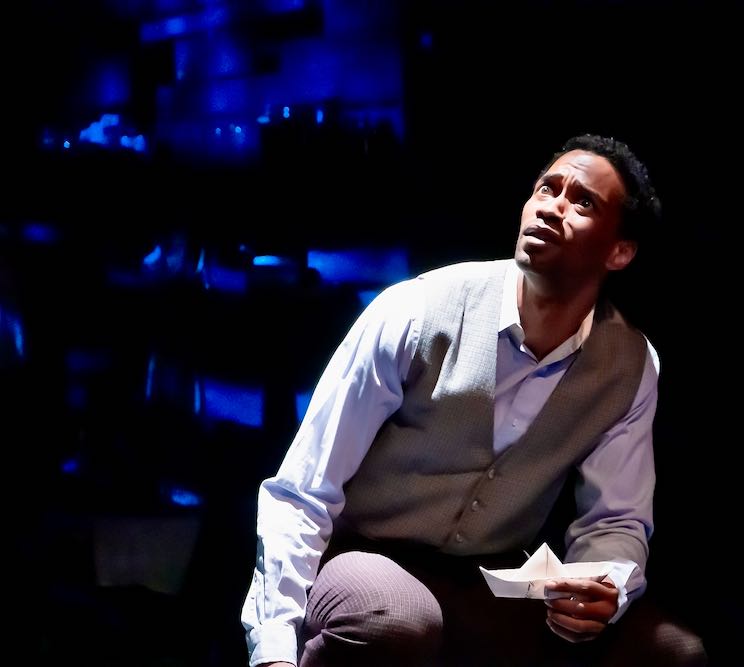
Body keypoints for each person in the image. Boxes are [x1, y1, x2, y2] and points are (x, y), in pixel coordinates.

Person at [241, 134, 706, 666]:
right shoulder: (418, 310)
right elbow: (303, 493)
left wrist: (606, 587)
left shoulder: (628, 363)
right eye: (546, 189)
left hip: (489, 578)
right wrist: (273, 648)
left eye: (583, 202)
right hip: (363, 555)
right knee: (395, 619)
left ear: (619, 251)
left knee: (673, 651)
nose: (552, 207)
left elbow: (616, 520)